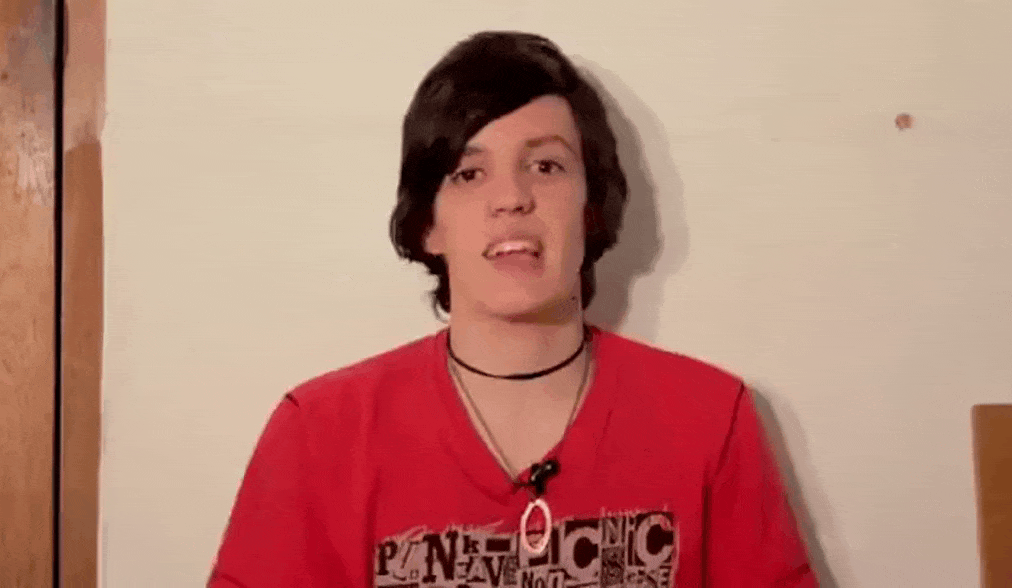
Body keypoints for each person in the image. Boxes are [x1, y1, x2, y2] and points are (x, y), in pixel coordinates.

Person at [209, 31, 817, 587]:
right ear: (427, 223)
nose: (511, 199)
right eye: (469, 173)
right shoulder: (318, 437)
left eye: (545, 166)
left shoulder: (711, 421)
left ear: (591, 209)